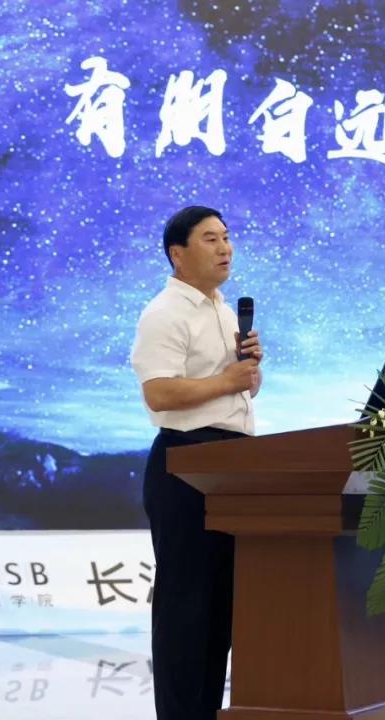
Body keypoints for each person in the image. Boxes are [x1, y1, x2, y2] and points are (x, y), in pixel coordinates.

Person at [129, 205, 262, 720]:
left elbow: (234, 394)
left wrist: (247, 373)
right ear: (178, 254)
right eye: (210, 239)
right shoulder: (165, 312)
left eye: (226, 237)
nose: (225, 247)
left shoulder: (224, 311)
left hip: (232, 463)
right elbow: (159, 393)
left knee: (221, 608)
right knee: (185, 608)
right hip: (185, 463)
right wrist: (226, 380)